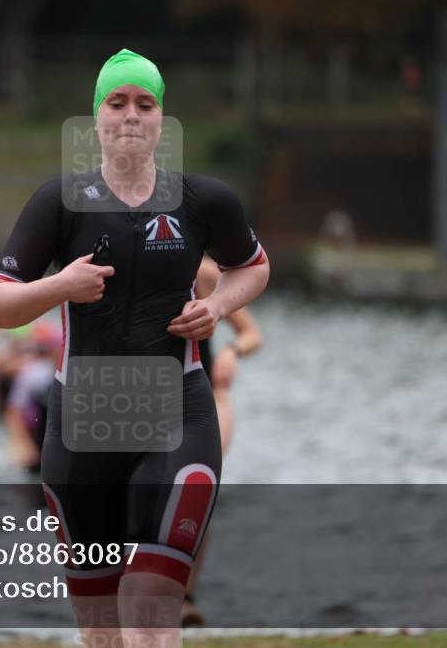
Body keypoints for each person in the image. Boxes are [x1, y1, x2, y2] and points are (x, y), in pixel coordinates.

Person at [0, 49, 269, 648]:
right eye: (117, 104)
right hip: (80, 430)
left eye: (145, 104)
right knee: (101, 631)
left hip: (177, 416)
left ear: (163, 119)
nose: (131, 116)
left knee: (150, 606)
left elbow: (255, 268)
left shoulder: (203, 201)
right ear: (97, 120)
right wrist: (62, 285)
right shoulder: (57, 203)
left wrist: (215, 308)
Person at [182, 254, 263, 626]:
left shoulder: (202, 272)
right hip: (149, 397)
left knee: (197, 490)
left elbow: (251, 334)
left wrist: (232, 352)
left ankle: (185, 596)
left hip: (209, 394)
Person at [4, 322, 62, 473]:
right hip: (34, 436)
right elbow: (13, 411)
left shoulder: (76, 373)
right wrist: (24, 444)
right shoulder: (34, 373)